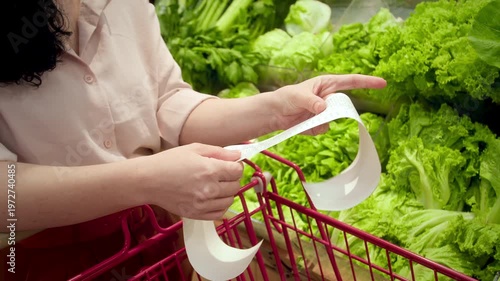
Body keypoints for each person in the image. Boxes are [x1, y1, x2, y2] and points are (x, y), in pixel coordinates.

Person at [0, 0, 387, 280]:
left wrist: (274, 109)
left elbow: (166, 102)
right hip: (35, 257)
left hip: (149, 234)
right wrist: (147, 180)